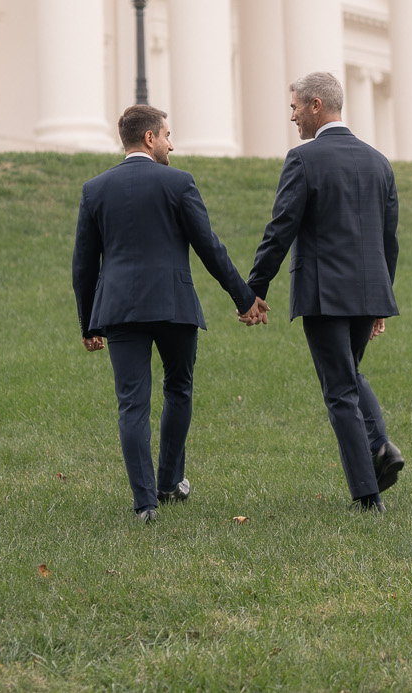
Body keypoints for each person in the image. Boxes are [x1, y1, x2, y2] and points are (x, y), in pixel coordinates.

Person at [72, 104, 271, 521]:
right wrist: (245, 297)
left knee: (132, 404)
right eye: (167, 135)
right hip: (173, 305)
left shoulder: (95, 189)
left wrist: (88, 322)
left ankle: (145, 503)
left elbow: (84, 264)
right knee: (178, 387)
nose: (171, 143)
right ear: (149, 138)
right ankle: (169, 482)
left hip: (119, 309)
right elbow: (209, 248)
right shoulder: (179, 183)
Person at [246, 71, 405, 511]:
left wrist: (253, 289)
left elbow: (280, 231)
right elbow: (389, 240)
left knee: (338, 388)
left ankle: (367, 494)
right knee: (348, 373)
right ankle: (382, 448)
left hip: (324, 293)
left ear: (317, 105)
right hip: (369, 291)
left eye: (295, 106)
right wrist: (380, 303)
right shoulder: (379, 161)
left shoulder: (303, 159)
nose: (292, 115)